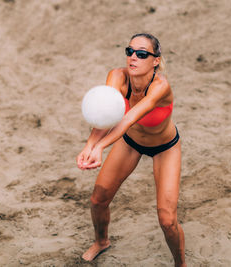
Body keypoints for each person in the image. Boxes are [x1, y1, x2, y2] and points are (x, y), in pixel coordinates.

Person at [76, 33, 186, 267]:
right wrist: (89, 146)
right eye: (130, 51)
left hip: (164, 148)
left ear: (155, 60)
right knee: (98, 200)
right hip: (130, 143)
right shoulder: (117, 76)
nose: (133, 57)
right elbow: (104, 116)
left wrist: (100, 147)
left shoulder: (160, 86)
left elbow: (127, 119)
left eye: (142, 54)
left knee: (167, 220)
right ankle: (101, 242)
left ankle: (180, 264)